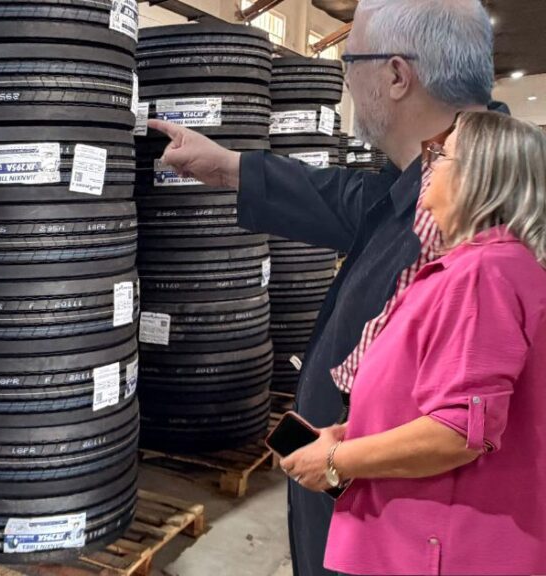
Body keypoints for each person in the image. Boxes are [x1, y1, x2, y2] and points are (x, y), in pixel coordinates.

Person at [147, 1, 499, 574]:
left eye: (349, 61)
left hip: (404, 544)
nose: (346, 80)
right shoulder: (433, 179)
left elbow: (465, 426)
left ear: (396, 75)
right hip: (357, 517)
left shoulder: (485, 217)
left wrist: (339, 459)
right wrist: (226, 167)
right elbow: (349, 200)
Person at [281, 111, 546, 575]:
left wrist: (336, 460)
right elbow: (442, 396)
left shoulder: (485, 275)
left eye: (443, 155)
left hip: (442, 549)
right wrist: (356, 430)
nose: (431, 165)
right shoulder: (475, 267)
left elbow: (459, 431)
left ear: (477, 178)